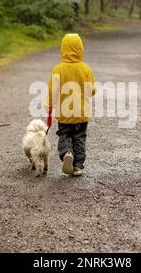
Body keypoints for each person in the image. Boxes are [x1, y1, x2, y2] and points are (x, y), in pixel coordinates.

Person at [46, 34, 96, 177]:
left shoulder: (58, 69)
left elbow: (52, 91)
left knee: (64, 134)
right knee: (80, 137)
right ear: (80, 49)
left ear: (63, 49)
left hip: (64, 113)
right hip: (81, 113)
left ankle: (67, 152)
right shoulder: (85, 69)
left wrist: (49, 105)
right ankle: (78, 166)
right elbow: (91, 90)